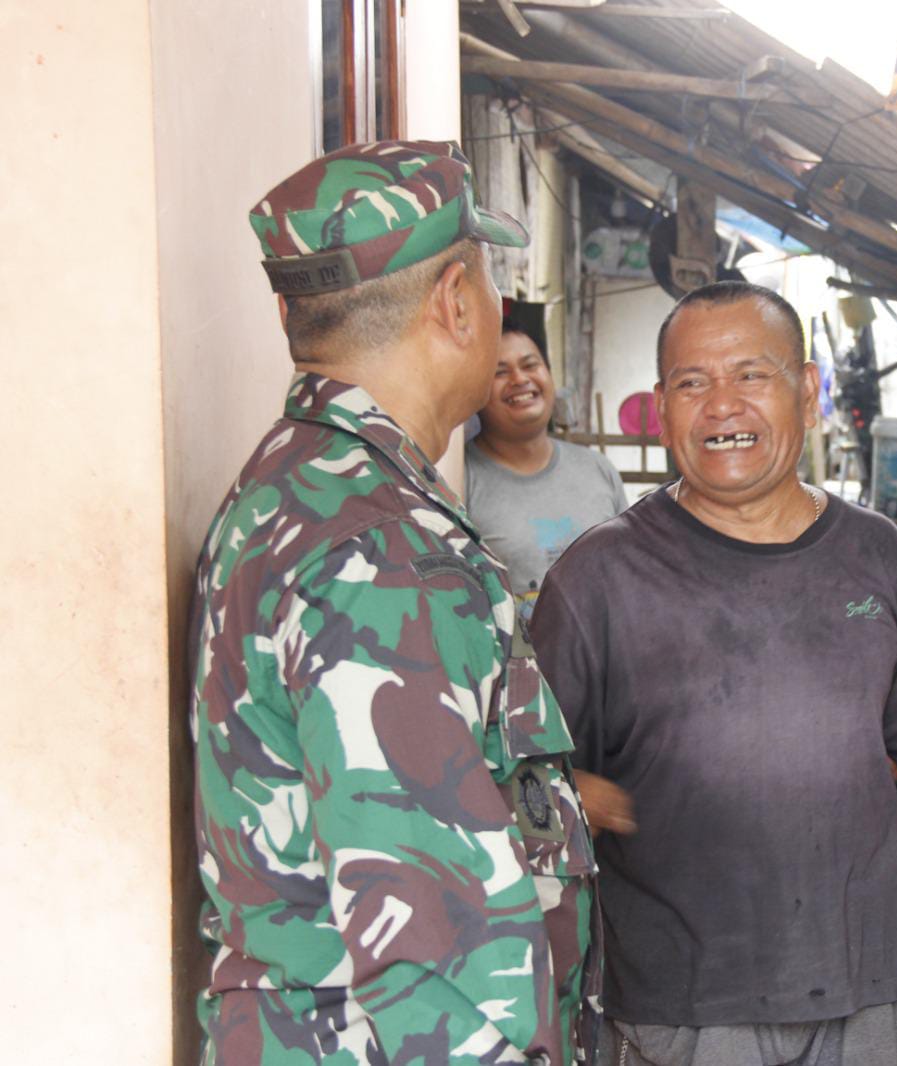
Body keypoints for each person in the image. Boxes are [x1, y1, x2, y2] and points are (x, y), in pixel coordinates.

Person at [189, 140, 599, 1065]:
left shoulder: (298, 488)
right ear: (457, 302)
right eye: (491, 286)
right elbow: (443, 968)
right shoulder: (381, 551)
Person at [528, 281, 897, 1066]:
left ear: (809, 390)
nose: (722, 406)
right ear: (661, 407)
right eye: (693, 383)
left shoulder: (884, 560)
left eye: (751, 375)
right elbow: (534, 783)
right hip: (682, 1000)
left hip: (862, 985)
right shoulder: (596, 579)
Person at [467, 324, 629, 613]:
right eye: (500, 372)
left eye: (530, 365)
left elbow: (628, 576)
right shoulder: (460, 480)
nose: (519, 379)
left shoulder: (597, 470)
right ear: (476, 389)